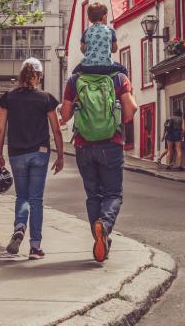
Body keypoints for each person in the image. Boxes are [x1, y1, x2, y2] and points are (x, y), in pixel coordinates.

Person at [60, 64, 137, 263]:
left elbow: (65, 116)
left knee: (93, 195)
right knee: (113, 194)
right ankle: (104, 224)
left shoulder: (75, 80)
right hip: (111, 144)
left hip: (83, 146)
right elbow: (130, 111)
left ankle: (101, 239)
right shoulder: (119, 78)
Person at [0, 57, 64, 260]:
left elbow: (0, 129)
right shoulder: (46, 98)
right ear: (39, 76)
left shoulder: (8, 98)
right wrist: (60, 155)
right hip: (39, 153)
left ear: (21, 76)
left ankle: (19, 226)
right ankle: (35, 248)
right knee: (36, 199)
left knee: (22, 196)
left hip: (17, 154)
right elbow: (56, 129)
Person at [73, 2, 130, 76]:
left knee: (74, 73)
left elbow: (82, 50)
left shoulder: (86, 32)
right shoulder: (110, 31)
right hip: (106, 67)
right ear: (104, 17)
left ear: (89, 19)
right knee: (123, 69)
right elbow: (114, 49)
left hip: (87, 67)